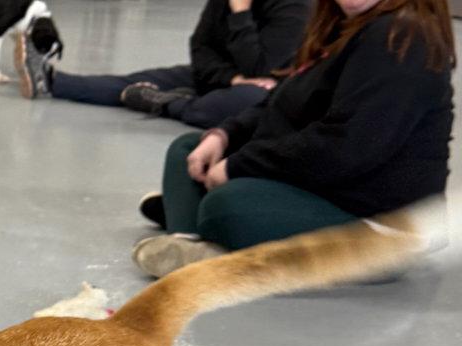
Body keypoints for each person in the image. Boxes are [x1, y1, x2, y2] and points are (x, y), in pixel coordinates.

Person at [132, 0, 454, 277]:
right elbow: (282, 102)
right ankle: (198, 244)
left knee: (227, 204)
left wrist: (241, 166)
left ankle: (198, 228)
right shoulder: (343, 26)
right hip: (327, 185)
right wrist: (225, 135)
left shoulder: (402, 37)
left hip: (377, 223)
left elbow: (346, 149)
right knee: (189, 149)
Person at [15, 0, 311, 130]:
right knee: (136, 80)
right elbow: (200, 46)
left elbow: (259, 66)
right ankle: (50, 81)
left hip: (268, 90)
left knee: (232, 105)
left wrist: (241, 12)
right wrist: (230, 78)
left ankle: (170, 104)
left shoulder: (295, 5)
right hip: (223, 76)